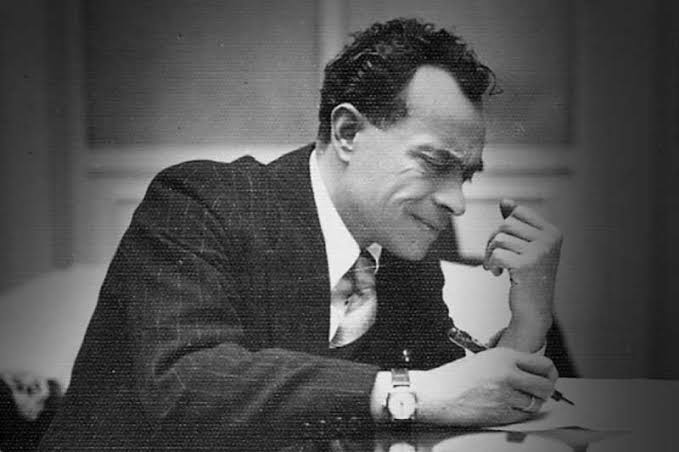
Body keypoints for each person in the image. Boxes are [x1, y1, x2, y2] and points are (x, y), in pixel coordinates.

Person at [38, 18, 563, 450]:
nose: (457, 202)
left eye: (465, 176)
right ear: (348, 132)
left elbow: (458, 406)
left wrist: (530, 319)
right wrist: (407, 392)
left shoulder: (404, 256)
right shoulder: (199, 202)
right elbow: (187, 381)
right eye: (434, 162)